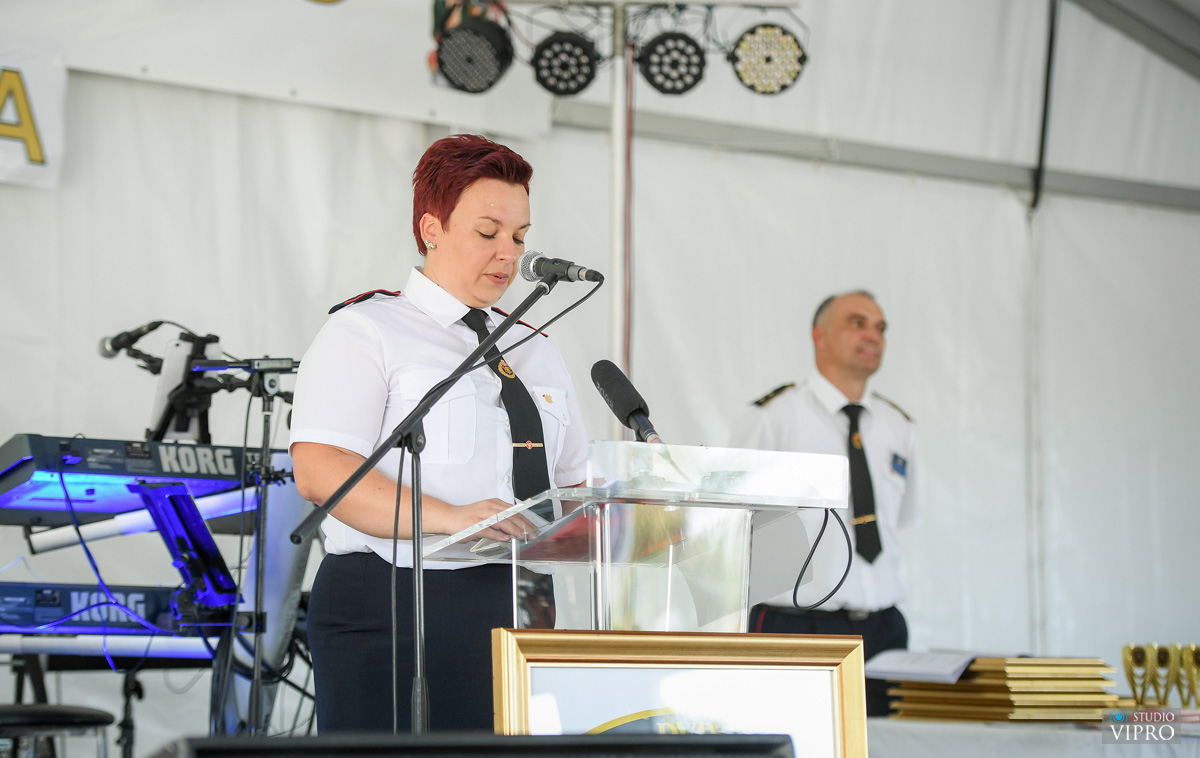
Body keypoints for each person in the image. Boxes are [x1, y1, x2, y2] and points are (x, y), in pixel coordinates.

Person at [289, 134, 589, 733]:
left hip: (523, 597)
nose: (509, 254)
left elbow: (574, 483)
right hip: (394, 598)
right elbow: (321, 470)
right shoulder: (368, 330)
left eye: (520, 237)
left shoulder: (538, 347)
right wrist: (451, 518)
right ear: (431, 229)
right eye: (488, 232)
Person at [729, 290, 918, 717]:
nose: (873, 335)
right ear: (820, 336)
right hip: (796, 627)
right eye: (858, 323)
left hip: (883, 629)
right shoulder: (773, 418)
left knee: (884, 743)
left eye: (881, 327)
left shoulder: (898, 426)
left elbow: (898, 521)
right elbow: (732, 529)